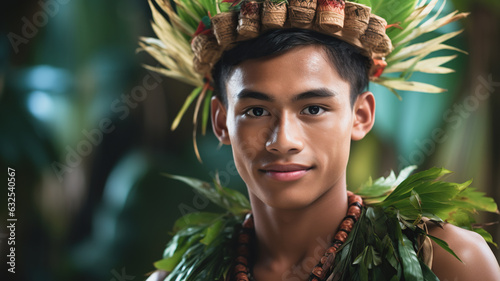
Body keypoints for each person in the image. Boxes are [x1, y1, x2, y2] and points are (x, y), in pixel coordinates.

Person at [141, 1, 500, 280]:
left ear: (361, 116)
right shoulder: (176, 277)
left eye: (313, 109)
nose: (283, 142)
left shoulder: (448, 262)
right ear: (221, 122)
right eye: (256, 111)